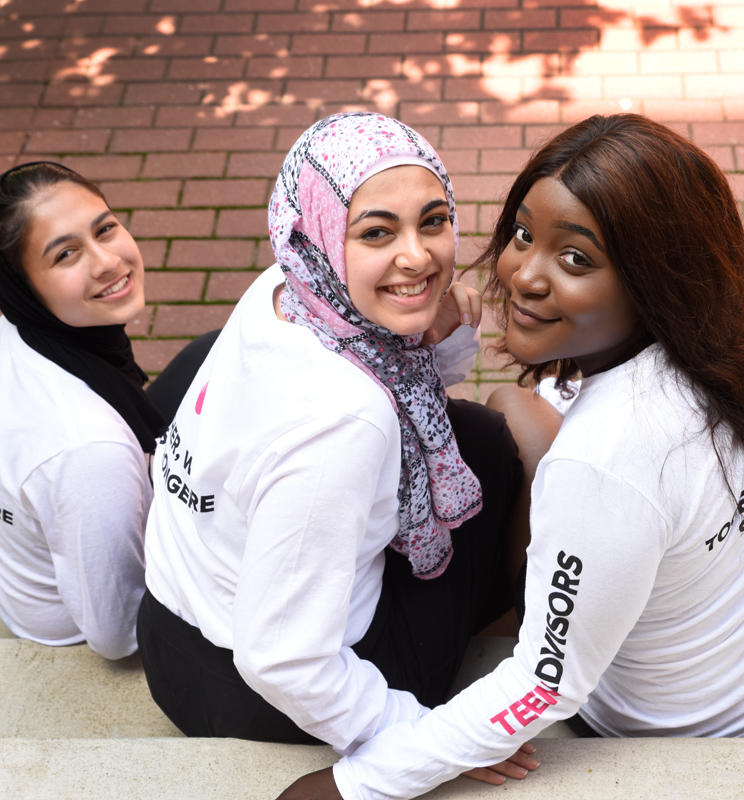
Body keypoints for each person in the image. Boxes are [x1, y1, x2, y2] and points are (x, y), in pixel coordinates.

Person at [275, 113, 744, 800]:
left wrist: (355, 784)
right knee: (514, 407)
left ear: (654, 277)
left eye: (576, 259)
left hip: (703, 722)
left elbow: (544, 683)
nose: (524, 275)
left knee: (513, 428)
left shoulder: (602, 463)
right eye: (524, 234)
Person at [137, 112, 533, 782]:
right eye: (377, 232)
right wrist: (422, 737)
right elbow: (280, 660)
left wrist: (431, 326)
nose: (418, 256)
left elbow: (416, 391)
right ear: (323, 234)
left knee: (469, 436)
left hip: (169, 624)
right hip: (264, 695)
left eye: (433, 221)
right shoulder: (346, 423)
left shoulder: (287, 286)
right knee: (490, 449)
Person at [0, 161, 166, 659]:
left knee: (209, 356)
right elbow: (119, 633)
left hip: (32, 562)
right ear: (24, 287)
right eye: (66, 254)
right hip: (71, 632)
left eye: (105, 229)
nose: (107, 262)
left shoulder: (23, 331)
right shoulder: (89, 454)